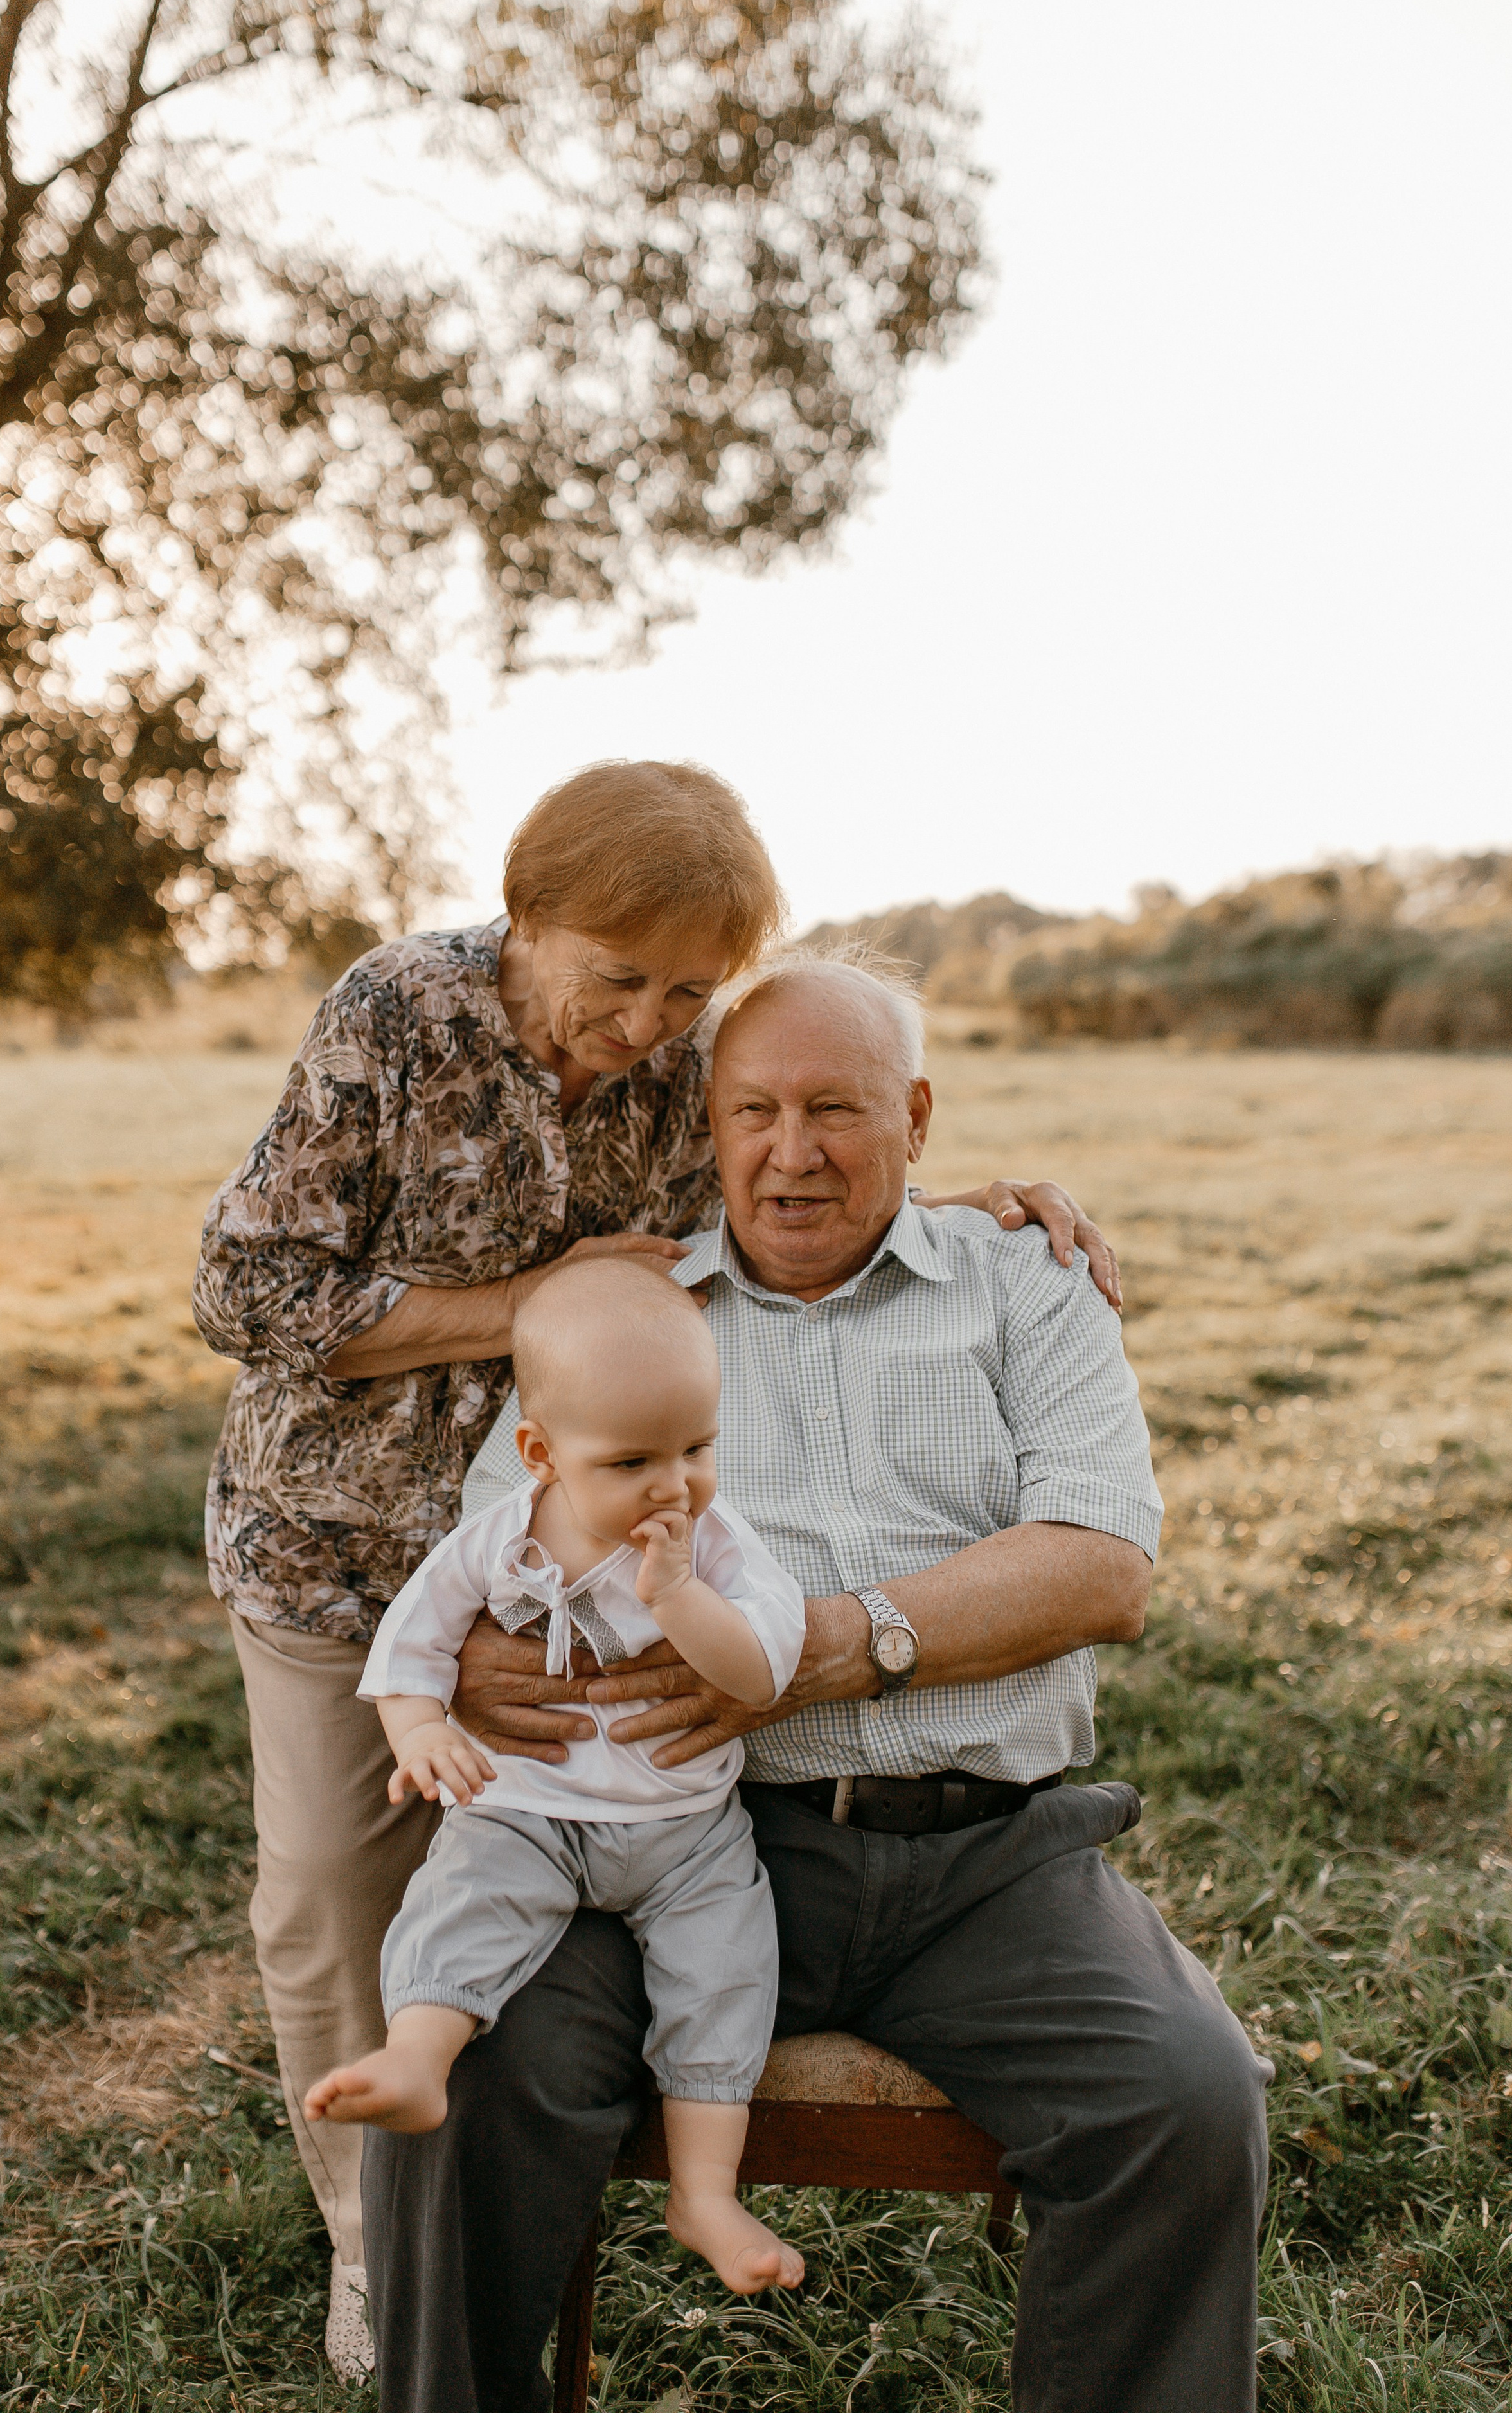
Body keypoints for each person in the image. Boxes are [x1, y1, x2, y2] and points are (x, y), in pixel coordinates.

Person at [190, 757, 1123, 2381]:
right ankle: (373, 2245)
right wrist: (539, 1300)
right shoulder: (402, 1012)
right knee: (349, 1890)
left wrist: (959, 1201)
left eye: (684, 988)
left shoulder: (684, 1051)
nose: (644, 1023)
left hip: (604, 1541)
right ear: (526, 917)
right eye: (616, 979)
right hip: (352, 1549)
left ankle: (497, 2186)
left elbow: (784, 1171)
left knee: (533, 1866)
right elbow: (246, 1290)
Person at [360, 953, 1273, 2413]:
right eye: (754, 1111)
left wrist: (822, 1651)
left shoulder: (1024, 1283)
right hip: (684, 1846)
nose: (791, 1152)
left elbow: (1103, 1565)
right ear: (708, 1127)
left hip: (987, 1855)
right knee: (471, 2070)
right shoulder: (623, 1316)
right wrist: (464, 1670)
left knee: (1184, 2102)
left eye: (837, 1109)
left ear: (915, 1116)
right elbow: (497, 1560)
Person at [301, 1256, 808, 2297]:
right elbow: (412, 1648)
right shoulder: (496, 1541)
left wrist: (679, 1600)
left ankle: (704, 2190)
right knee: (463, 1899)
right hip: (530, 1812)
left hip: (686, 1835)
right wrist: (419, 1733)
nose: (674, 1485)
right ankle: (418, 2058)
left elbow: (759, 1671)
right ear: (541, 1454)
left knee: (725, 1972)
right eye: (632, 1462)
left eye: (697, 1450)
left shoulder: (710, 1548)